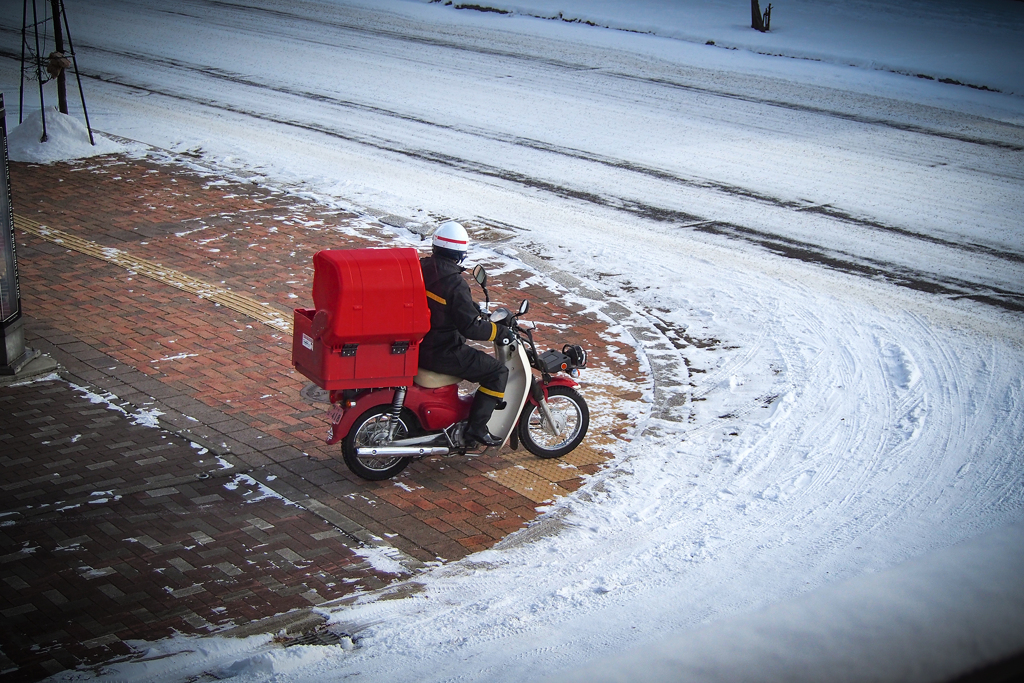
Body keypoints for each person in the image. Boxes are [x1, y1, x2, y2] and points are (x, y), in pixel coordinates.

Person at [419, 221, 513, 447]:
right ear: (460, 253)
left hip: (420, 344)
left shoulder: (422, 268)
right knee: (497, 372)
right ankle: (476, 430)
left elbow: (445, 305)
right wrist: (499, 331)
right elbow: (470, 327)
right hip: (442, 350)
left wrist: (471, 307)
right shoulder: (454, 282)